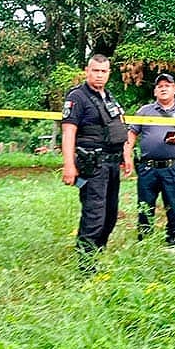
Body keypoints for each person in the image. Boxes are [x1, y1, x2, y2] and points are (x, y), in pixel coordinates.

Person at [61, 54, 129, 271]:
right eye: (95, 71)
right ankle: (86, 266)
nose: (99, 75)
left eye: (104, 71)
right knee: (94, 215)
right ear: (86, 71)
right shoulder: (77, 97)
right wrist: (69, 165)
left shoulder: (109, 96)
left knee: (110, 215)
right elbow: (68, 131)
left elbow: (120, 127)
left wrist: (126, 156)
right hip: (92, 165)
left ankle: (97, 255)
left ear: (109, 73)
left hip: (112, 163)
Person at [124, 73, 175, 246]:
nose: (163, 88)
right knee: (144, 207)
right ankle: (144, 242)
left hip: (173, 168)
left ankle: (174, 242)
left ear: (174, 89)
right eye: (160, 86)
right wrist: (127, 155)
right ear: (155, 91)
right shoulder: (145, 111)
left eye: (167, 85)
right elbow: (132, 133)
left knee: (174, 206)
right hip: (148, 169)